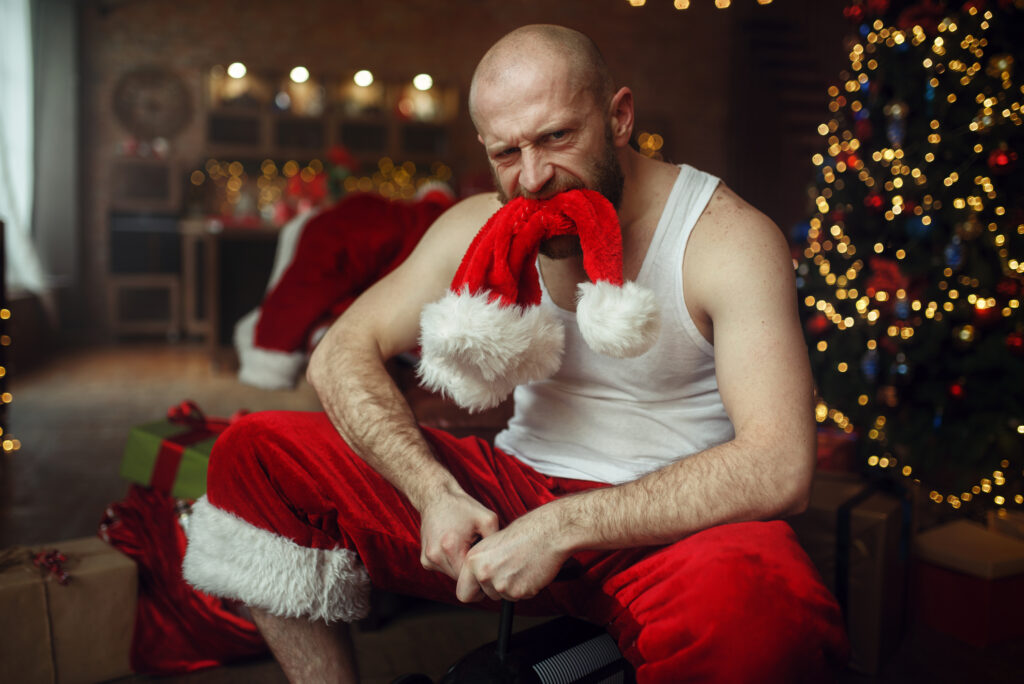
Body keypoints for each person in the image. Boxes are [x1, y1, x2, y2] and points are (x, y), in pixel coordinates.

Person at [183, 24, 848, 683]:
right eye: (507, 152)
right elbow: (341, 352)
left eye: (557, 138)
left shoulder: (728, 238)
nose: (533, 178)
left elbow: (780, 465)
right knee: (253, 452)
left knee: (768, 627)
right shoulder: (476, 223)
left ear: (618, 117)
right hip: (510, 500)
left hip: (672, 527)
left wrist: (563, 526)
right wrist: (433, 491)